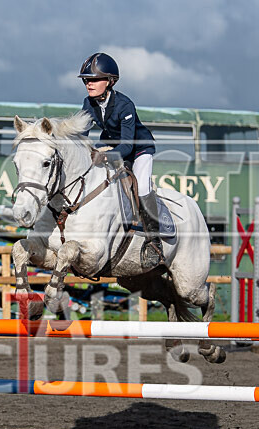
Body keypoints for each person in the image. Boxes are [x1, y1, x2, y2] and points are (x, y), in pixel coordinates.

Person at [78, 52, 165, 269]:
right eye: (87, 80)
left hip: (138, 149)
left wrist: (104, 154)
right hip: (112, 146)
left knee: (143, 186)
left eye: (94, 79)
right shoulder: (88, 103)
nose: (89, 84)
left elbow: (127, 145)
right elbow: (83, 134)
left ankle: (155, 242)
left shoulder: (125, 105)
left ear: (109, 81)